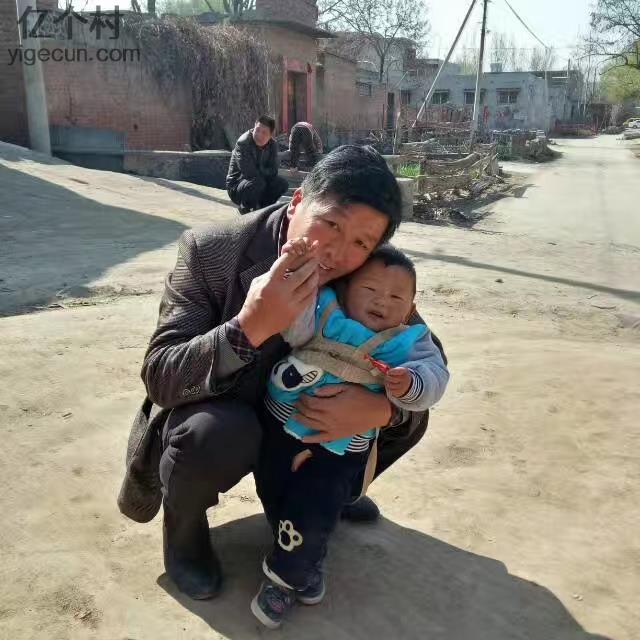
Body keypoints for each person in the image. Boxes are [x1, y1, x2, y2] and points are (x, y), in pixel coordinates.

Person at [117, 145, 447, 603]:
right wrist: (249, 326)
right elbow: (160, 374)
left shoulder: (364, 273)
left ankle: (331, 494)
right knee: (213, 434)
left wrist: (381, 409)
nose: (337, 252)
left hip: (308, 415)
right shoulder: (211, 250)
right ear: (296, 202)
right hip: (231, 410)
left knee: (410, 408)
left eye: (361, 242)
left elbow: (429, 356)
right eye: (331, 224)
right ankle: (184, 532)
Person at [251, 243, 450, 628]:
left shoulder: (409, 341)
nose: (382, 302)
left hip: (340, 448)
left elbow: (436, 375)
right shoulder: (325, 311)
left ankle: (287, 577)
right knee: (275, 491)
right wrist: (296, 273)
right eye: (370, 289)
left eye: (396, 297)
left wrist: (411, 383)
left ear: (411, 307)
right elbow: (290, 323)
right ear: (345, 290)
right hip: (282, 426)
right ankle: (303, 549)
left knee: (317, 502)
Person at [226, 115, 289, 214]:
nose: (259, 135)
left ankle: (264, 208)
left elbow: (274, 171)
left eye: (264, 132)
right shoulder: (243, 143)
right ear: (254, 127)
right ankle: (245, 208)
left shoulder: (272, 145)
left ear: (270, 135)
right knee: (258, 182)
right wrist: (265, 171)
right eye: (257, 130)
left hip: (259, 182)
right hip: (238, 186)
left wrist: (262, 170)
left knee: (281, 184)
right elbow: (249, 173)